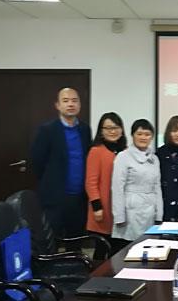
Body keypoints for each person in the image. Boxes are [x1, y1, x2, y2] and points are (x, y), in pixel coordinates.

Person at [31, 87, 91, 239]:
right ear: (57, 105)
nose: (70, 104)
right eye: (65, 101)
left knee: (76, 240)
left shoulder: (85, 129)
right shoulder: (47, 130)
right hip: (54, 198)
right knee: (52, 241)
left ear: (79, 105)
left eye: (74, 100)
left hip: (79, 198)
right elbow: (38, 162)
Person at [111, 119, 163, 241]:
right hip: (130, 211)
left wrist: (159, 214)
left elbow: (157, 187)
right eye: (139, 134)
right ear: (132, 135)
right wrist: (119, 216)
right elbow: (117, 188)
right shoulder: (123, 156)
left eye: (147, 134)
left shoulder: (154, 159)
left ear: (152, 137)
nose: (143, 137)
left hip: (150, 211)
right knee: (129, 247)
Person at [85, 112, 127, 259]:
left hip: (121, 209)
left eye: (116, 127)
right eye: (108, 128)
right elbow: (91, 182)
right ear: (101, 131)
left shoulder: (126, 152)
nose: (112, 131)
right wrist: (97, 207)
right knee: (102, 250)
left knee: (118, 250)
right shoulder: (96, 151)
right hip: (103, 209)